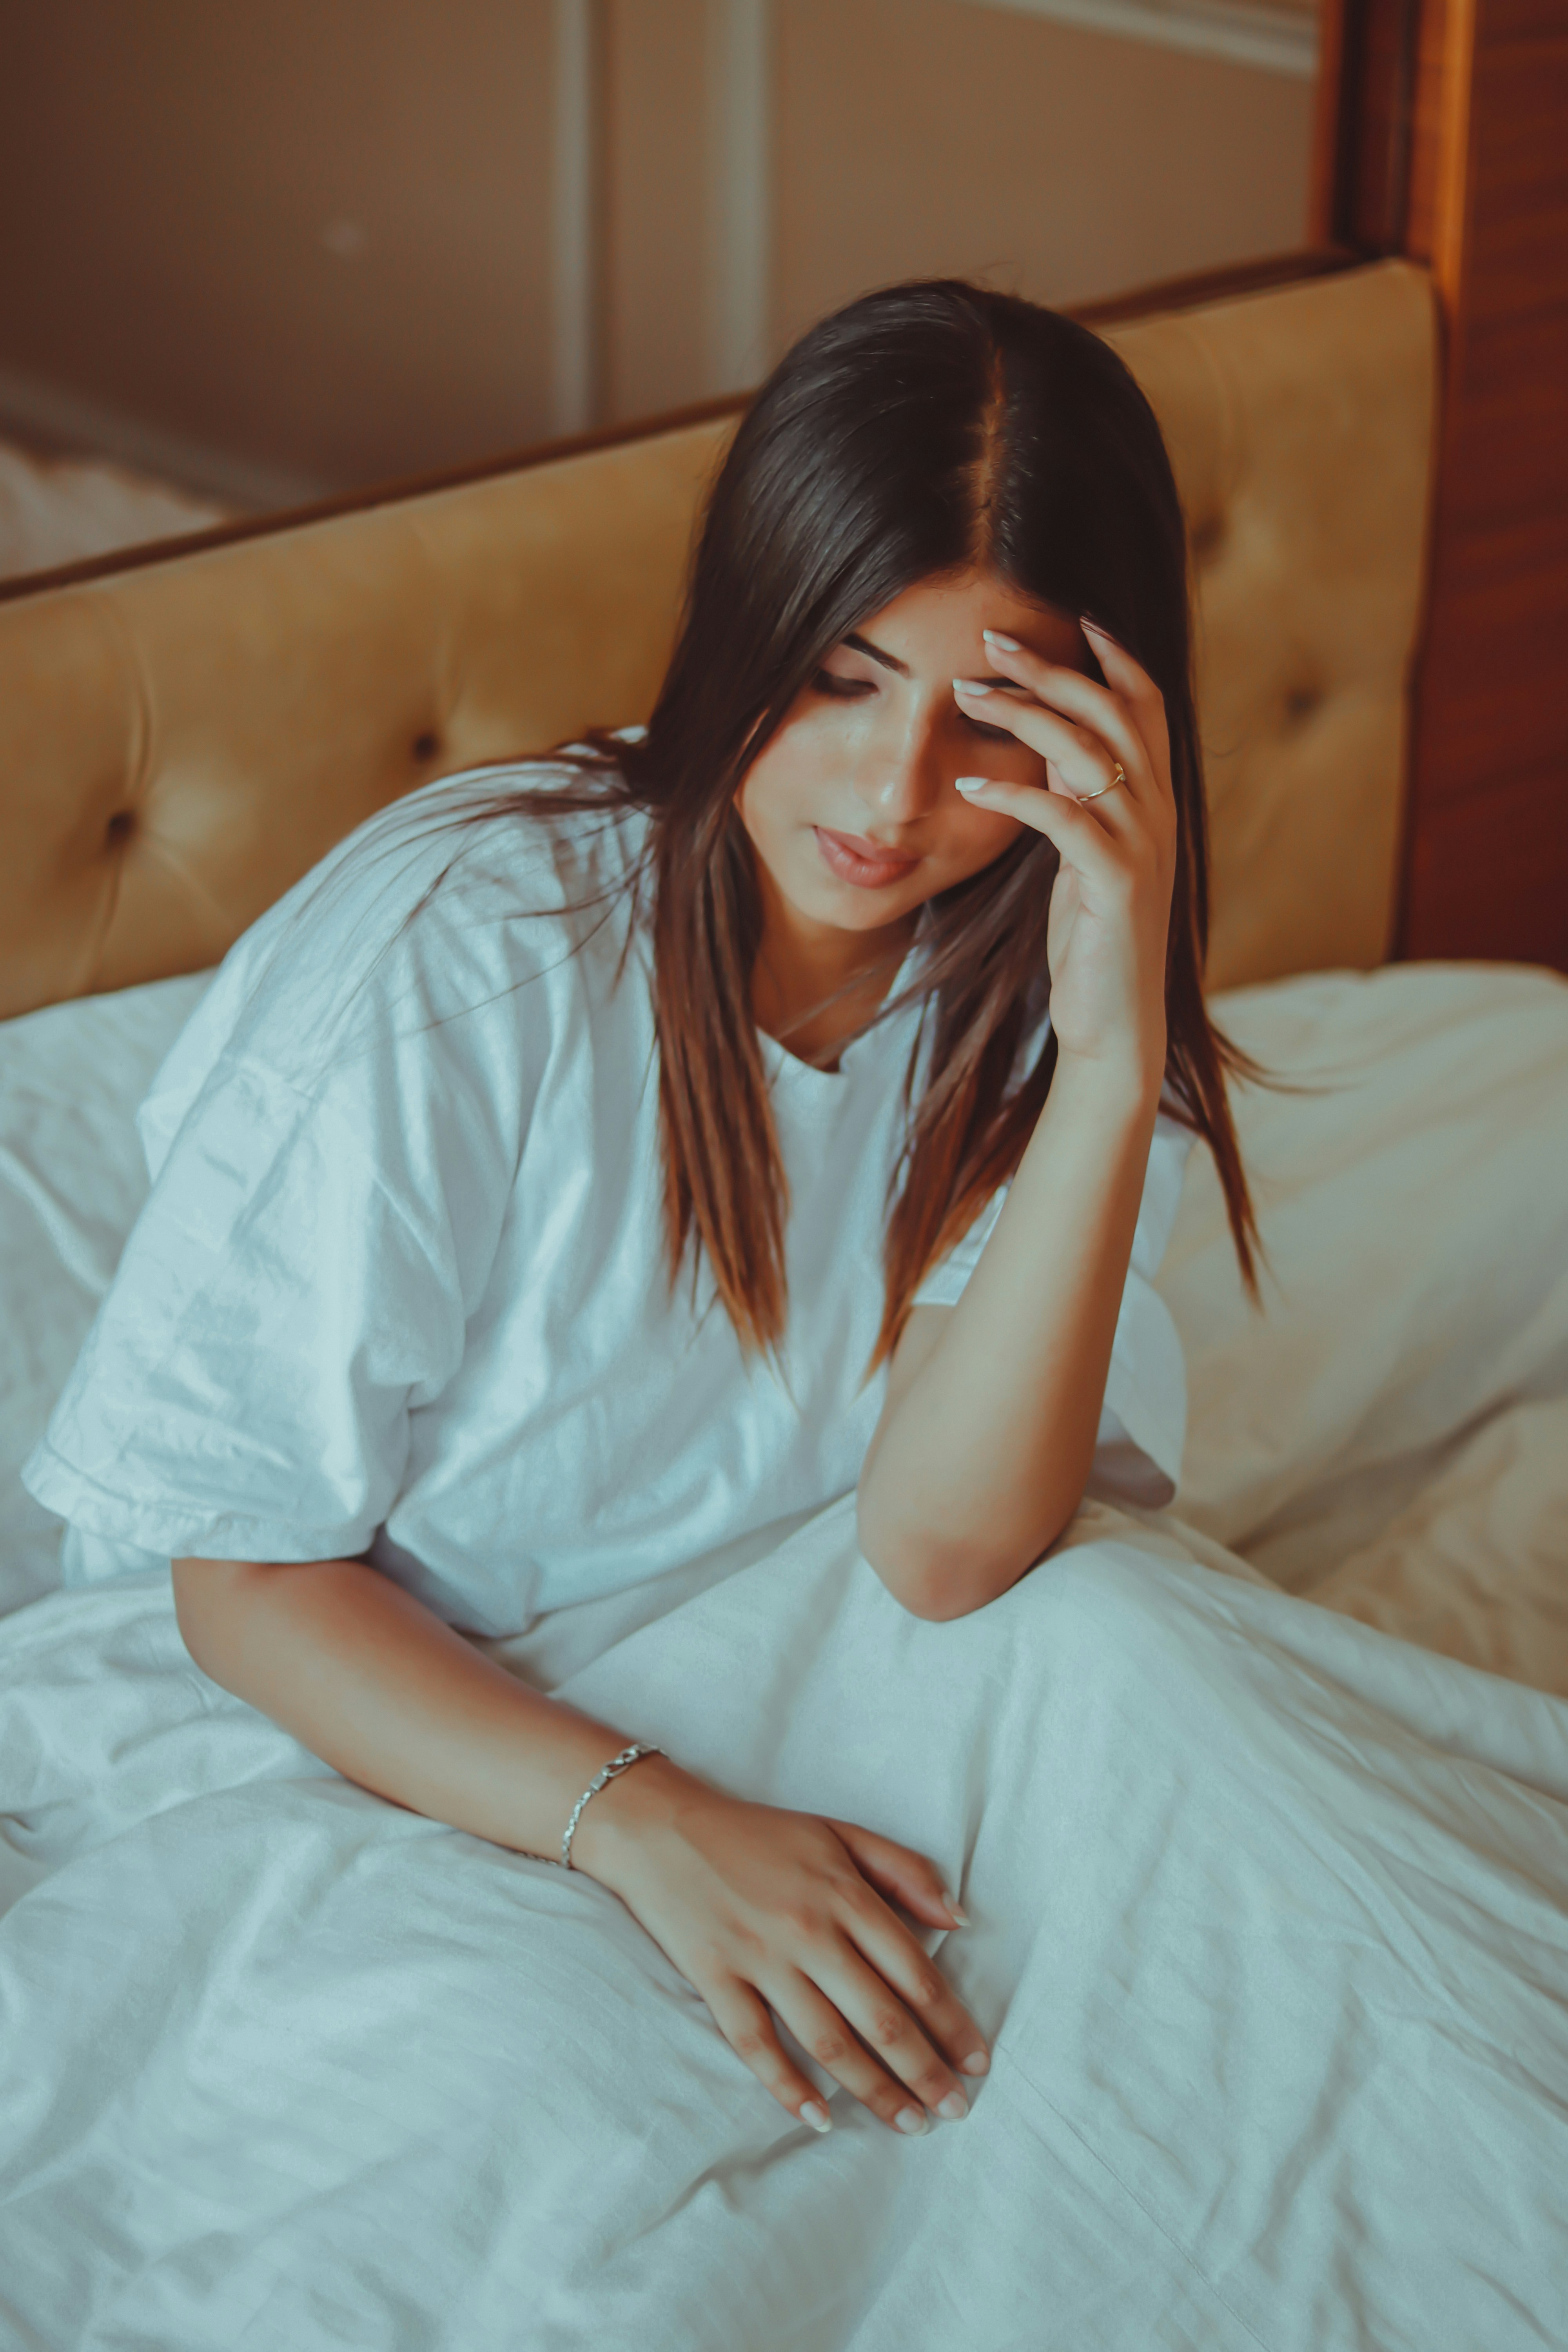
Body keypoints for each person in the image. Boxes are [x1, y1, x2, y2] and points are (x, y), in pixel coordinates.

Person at [24, 278, 1256, 2150]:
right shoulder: (472, 947)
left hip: (786, 1672)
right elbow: (242, 1571)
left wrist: (1102, 1068)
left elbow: (939, 1550)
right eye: (843, 676)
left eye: (984, 722)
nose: (894, 793)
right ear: (746, 619)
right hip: (379, 1717)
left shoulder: (1050, 1013)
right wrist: (645, 1822)